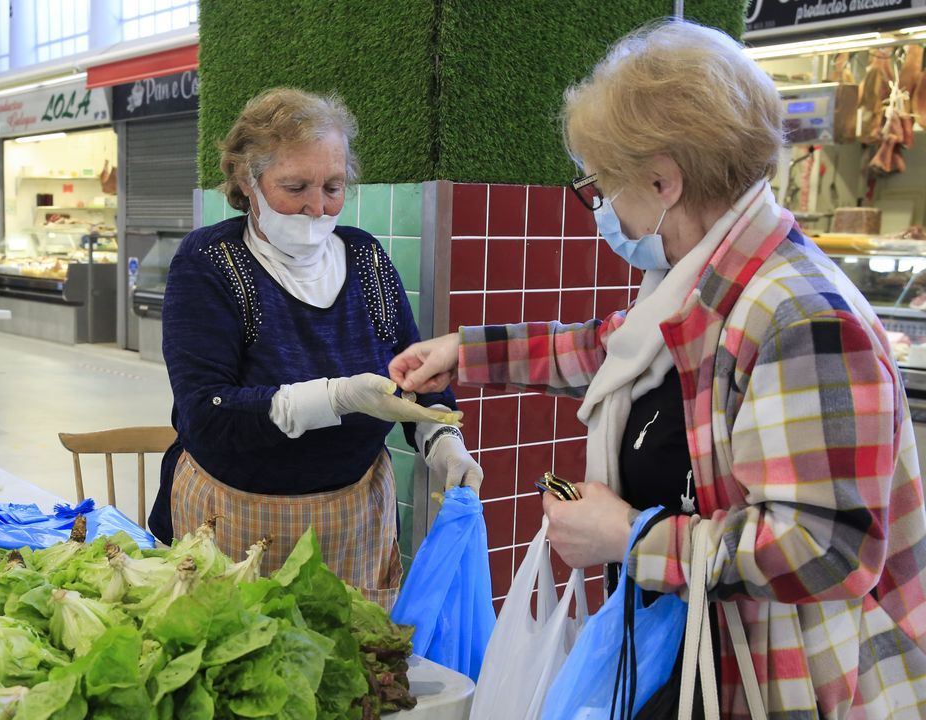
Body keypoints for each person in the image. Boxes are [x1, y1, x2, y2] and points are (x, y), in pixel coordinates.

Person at [391, 20, 926, 718]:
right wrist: (469, 350)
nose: (604, 209)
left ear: (663, 180)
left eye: (602, 185)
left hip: (777, 683)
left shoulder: (802, 319)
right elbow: (610, 347)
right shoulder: (705, 283)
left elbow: (824, 548)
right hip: (692, 660)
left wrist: (628, 537)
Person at [152, 88, 480, 609]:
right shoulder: (210, 263)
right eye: (294, 186)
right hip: (238, 520)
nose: (315, 206)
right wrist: (338, 398)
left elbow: (414, 375)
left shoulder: (367, 259)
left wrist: (441, 439)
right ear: (245, 179)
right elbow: (206, 415)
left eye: (332, 186)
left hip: (354, 519)